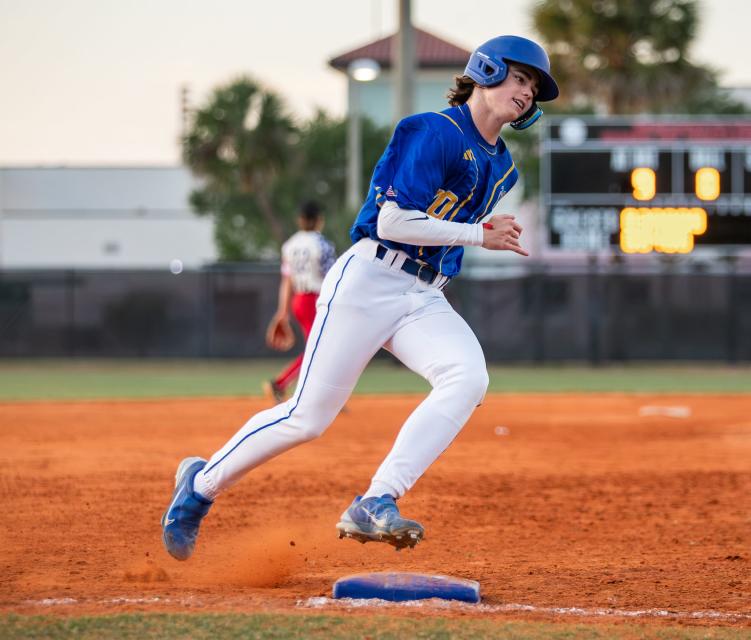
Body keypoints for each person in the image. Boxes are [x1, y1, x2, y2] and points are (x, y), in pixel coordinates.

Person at [162, 35, 559, 559]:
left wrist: (471, 234)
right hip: (370, 278)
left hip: (423, 293)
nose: (527, 92)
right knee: (308, 417)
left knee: (467, 376)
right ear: (484, 70)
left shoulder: (502, 164)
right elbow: (393, 220)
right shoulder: (431, 130)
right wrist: (477, 233)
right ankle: (198, 488)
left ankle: (376, 500)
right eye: (519, 77)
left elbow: (445, 231)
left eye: (534, 86)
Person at [262, 201, 337, 402]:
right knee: (318, 349)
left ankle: (322, 394)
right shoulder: (322, 244)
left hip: (298, 300)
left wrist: (282, 312)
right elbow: (332, 276)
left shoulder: (290, 245)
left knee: (320, 349)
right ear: (319, 221)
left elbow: (286, 281)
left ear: (300, 220)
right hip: (316, 300)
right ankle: (281, 383)